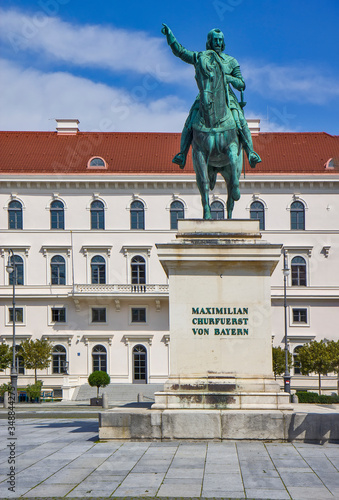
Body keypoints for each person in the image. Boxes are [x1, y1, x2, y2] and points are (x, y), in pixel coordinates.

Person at [161, 24, 261, 169]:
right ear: (209, 41)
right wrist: (170, 37)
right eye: (215, 40)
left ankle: (251, 153)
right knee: (190, 121)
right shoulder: (201, 57)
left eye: (220, 40)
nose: (218, 43)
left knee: (240, 119)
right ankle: (182, 154)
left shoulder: (231, 61)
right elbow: (181, 52)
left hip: (227, 98)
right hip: (205, 95)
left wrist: (228, 78)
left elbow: (241, 84)